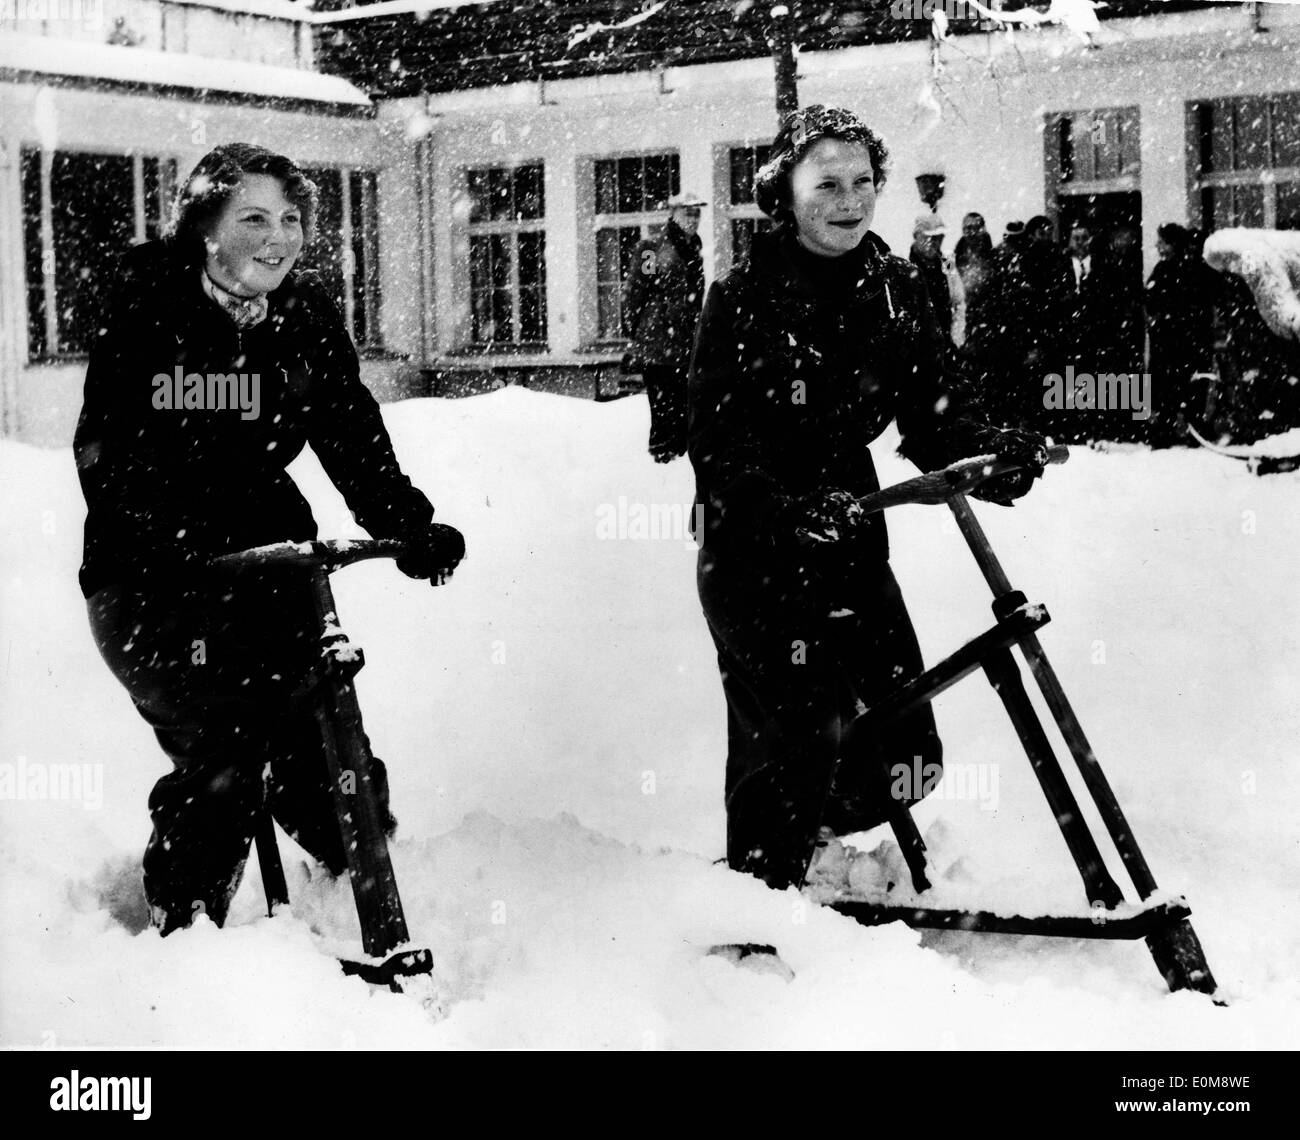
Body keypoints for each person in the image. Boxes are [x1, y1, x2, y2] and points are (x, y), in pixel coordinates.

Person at [75, 143, 465, 935]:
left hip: (269, 560)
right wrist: (167, 540)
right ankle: (182, 942)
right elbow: (107, 450)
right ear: (205, 229)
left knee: (324, 758)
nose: (277, 236)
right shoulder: (150, 305)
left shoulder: (305, 317)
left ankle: (364, 912)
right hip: (151, 576)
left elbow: (351, 434)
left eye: (289, 219)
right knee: (225, 754)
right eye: (252, 216)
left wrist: (408, 525)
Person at [687, 105, 1048, 893]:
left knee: (908, 750)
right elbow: (717, 444)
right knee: (797, 732)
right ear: (783, 191)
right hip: (756, 551)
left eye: (862, 182)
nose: (848, 200)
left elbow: (933, 418)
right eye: (826, 183)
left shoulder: (897, 292)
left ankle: (816, 845)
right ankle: (759, 900)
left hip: (853, 538)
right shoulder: (741, 298)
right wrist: (780, 506)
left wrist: (995, 456)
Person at [622, 191, 708, 462]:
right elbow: (636, 291)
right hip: (658, 342)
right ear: (673, 214)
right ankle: (659, 466)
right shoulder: (652, 248)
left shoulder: (694, 249)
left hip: (684, 343)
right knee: (663, 412)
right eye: (687, 212)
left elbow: (694, 298)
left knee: (683, 411)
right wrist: (637, 331)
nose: (693, 218)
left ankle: (675, 465)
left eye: (696, 213)